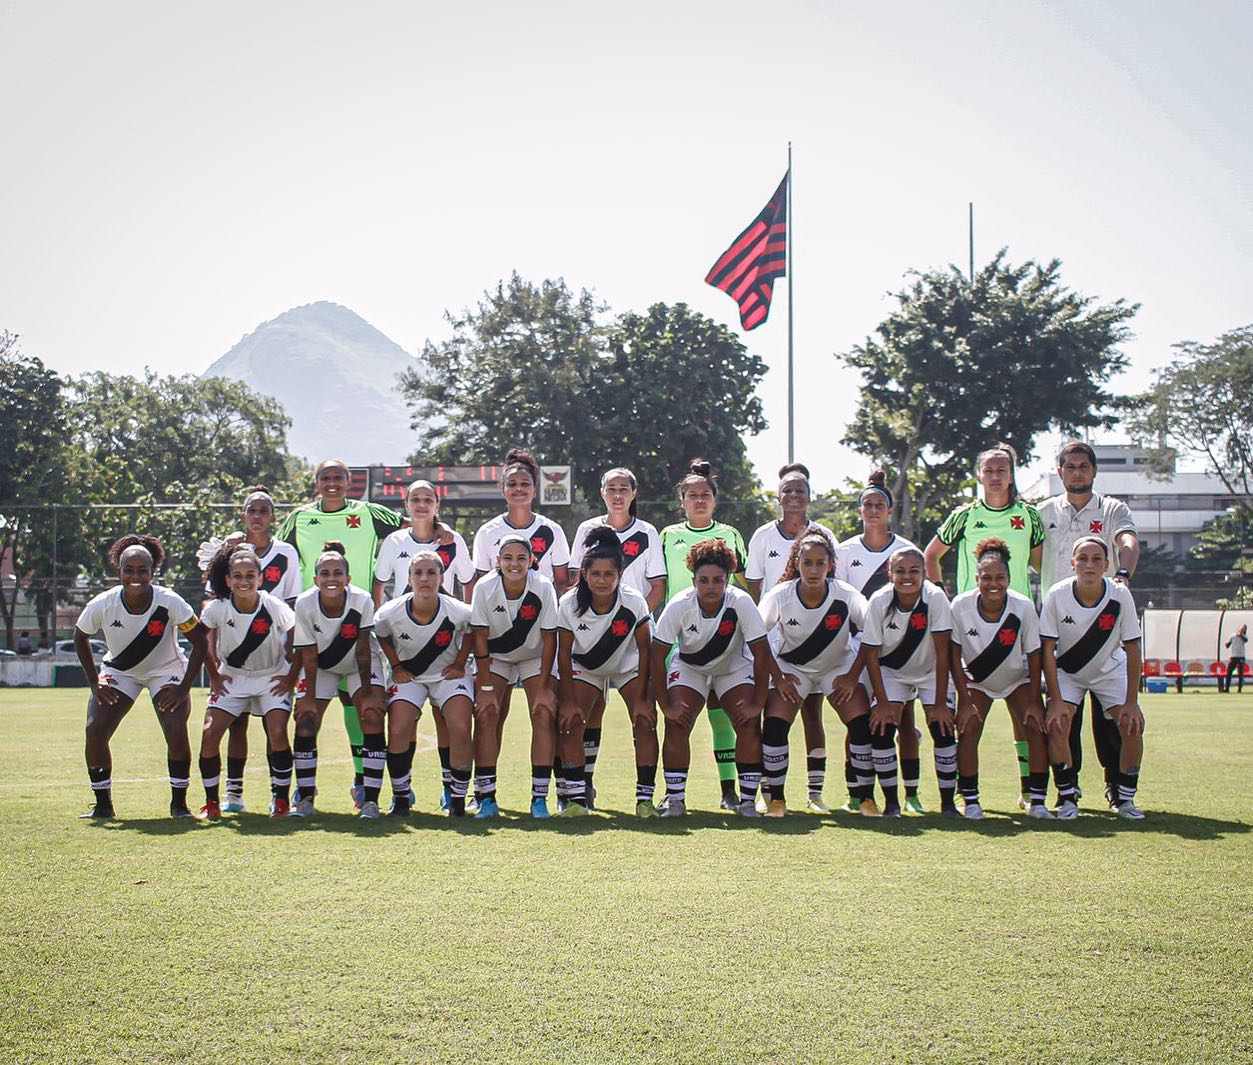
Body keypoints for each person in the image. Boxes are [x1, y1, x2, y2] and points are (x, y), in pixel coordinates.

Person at [277, 459, 402, 810]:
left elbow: (414, 528)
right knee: (307, 714)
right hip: (315, 629)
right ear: (316, 482)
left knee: (362, 709)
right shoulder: (298, 517)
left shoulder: (371, 512)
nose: (332, 483)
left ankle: (366, 787)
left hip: (357, 625)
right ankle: (304, 796)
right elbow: (279, 554)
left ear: (350, 482)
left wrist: (444, 532)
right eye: (325, 477)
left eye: (338, 477)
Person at [925, 443, 1044, 808]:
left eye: (1001, 470)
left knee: (1025, 717)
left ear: (1011, 475)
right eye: (988, 470)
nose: (995, 476)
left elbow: (1041, 565)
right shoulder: (964, 516)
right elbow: (931, 556)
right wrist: (946, 604)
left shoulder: (1030, 516)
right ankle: (967, 796)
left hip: (1016, 626)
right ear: (979, 475)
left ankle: (1029, 792)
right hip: (972, 629)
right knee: (969, 717)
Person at [74, 534, 208, 819]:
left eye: (142, 570)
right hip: (120, 672)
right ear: (119, 571)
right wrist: (94, 681)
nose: (136, 576)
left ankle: (179, 805)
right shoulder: (103, 603)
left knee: (175, 726)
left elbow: (201, 642)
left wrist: (184, 687)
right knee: (94, 729)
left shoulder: (170, 601)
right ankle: (103, 805)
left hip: (166, 671)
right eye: (129, 570)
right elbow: (80, 635)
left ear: (152, 572)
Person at [1036, 439, 1140, 804]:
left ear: (1093, 471)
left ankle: (1116, 786)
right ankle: (1069, 787)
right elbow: (1032, 556)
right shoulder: (1042, 511)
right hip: (1058, 623)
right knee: (1063, 714)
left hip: (1103, 625)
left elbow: (1126, 539)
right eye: (1070, 466)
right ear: (1060, 471)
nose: (1077, 472)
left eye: (1083, 466)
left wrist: (1123, 572)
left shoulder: (1112, 508)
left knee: (1111, 717)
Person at [651, 538, 785, 817]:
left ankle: (747, 801)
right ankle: (675, 800)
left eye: (717, 580)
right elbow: (656, 655)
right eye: (703, 580)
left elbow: (761, 653)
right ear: (693, 580)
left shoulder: (741, 602)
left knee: (748, 722)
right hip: (690, 667)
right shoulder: (679, 605)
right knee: (677, 722)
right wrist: (665, 705)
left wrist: (758, 702)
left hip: (732, 667)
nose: (710, 586)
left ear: (727, 580)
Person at [759, 529, 878, 817]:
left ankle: (865, 798)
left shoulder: (846, 594)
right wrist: (778, 676)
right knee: (775, 727)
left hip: (836, 668)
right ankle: (776, 798)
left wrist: (852, 676)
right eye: (807, 562)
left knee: (861, 725)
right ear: (796, 563)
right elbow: (756, 637)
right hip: (793, 668)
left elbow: (872, 634)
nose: (813, 569)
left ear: (830, 564)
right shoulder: (781, 595)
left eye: (820, 563)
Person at [373, 479, 474, 810]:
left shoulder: (453, 541)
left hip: (445, 648)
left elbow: (474, 621)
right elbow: (380, 620)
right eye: (414, 498)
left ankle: (455, 796)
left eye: (427, 498)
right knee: (400, 724)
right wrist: (396, 666)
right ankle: (402, 796)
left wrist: (461, 661)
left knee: (456, 725)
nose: (425, 577)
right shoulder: (394, 543)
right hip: (409, 657)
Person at [567, 467, 665, 805]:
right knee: (583, 714)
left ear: (634, 493)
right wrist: (602, 618)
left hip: (630, 637)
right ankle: (582, 790)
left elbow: (658, 585)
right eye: (612, 488)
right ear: (602, 492)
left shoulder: (647, 532)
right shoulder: (586, 530)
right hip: (589, 638)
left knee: (643, 715)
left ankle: (644, 799)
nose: (618, 494)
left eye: (624, 488)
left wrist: (628, 617)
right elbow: (574, 579)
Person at [201, 486, 302, 814]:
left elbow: (292, 608)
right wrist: (214, 665)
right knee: (234, 726)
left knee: (275, 730)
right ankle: (231, 795)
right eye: (251, 510)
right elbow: (212, 609)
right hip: (234, 666)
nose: (257, 516)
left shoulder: (285, 553)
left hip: (271, 657)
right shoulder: (229, 551)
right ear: (243, 515)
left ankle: (280, 798)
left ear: (273, 516)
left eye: (263, 511)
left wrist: (289, 667)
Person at [659, 459, 750, 811]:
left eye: (705, 495)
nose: (699, 500)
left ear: (714, 500)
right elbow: (662, 586)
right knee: (678, 715)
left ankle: (729, 792)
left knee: (721, 715)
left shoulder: (730, 535)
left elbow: (743, 585)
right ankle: (674, 793)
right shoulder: (668, 535)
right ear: (682, 500)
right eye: (692, 495)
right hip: (681, 642)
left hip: (725, 641)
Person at [835, 471, 923, 814]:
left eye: (879, 505)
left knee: (904, 721)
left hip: (902, 647)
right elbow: (840, 602)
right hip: (859, 647)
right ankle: (856, 791)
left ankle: (911, 793)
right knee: (856, 720)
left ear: (890, 510)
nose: (873, 510)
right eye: (867, 505)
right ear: (860, 511)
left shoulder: (906, 550)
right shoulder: (844, 552)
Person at [1040, 536, 1146, 820]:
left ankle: (1125, 798)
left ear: (1107, 565)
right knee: (1057, 723)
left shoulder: (1120, 595)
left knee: (1132, 724)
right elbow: (1047, 650)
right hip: (1068, 673)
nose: (1089, 565)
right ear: (1072, 563)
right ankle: (1067, 795)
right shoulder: (1056, 595)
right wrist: (1055, 699)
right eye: (1083, 559)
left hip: (1109, 670)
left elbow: (1133, 648)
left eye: (1096, 559)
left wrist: (1131, 702)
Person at [746, 463, 831, 813]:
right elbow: (754, 589)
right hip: (775, 645)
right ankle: (770, 793)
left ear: (809, 498)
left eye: (800, 490)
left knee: (814, 715)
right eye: (788, 490)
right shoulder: (763, 535)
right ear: (778, 497)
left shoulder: (823, 535)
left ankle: (815, 793)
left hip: (817, 643)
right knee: (772, 717)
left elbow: (835, 582)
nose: (794, 495)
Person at [948, 538, 1053, 819]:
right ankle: (969, 798)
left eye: (1000, 577)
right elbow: (953, 656)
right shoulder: (959, 606)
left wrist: (1034, 701)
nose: (993, 583)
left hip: (1017, 678)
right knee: (968, 729)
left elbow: (1034, 656)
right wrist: (963, 699)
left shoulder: (1023, 607)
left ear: (1009, 578)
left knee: (1034, 727)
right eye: (986, 577)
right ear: (976, 578)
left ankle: (1037, 799)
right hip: (976, 680)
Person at [556, 526, 656, 816]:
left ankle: (644, 800)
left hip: (627, 665)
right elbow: (563, 653)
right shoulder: (569, 603)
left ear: (620, 575)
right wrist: (569, 700)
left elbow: (646, 650)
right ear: (584, 574)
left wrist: (642, 699)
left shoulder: (634, 601)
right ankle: (577, 800)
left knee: (645, 720)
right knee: (572, 721)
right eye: (595, 574)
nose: (602, 580)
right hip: (585, 666)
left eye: (609, 574)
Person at [290, 542, 386, 818]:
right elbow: (308, 653)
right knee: (306, 719)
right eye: (325, 573)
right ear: (315, 578)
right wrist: (308, 697)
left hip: (359, 665)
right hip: (320, 666)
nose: (331, 578)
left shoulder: (362, 599)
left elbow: (364, 648)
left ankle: (370, 799)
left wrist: (367, 691)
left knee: (372, 715)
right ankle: (305, 797)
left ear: (348, 578)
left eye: (337, 573)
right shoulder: (305, 602)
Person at [468, 534, 560, 819]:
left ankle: (539, 798)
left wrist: (544, 687)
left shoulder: (543, 586)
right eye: (507, 558)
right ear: (498, 561)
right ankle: (485, 796)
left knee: (543, 712)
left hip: (534, 655)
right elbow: (479, 636)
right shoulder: (484, 587)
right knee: (487, 714)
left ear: (532, 561)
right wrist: (484, 687)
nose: (514, 563)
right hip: (495, 657)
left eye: (521, 558)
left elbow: (549, 637)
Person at [861, 547, 956, 817]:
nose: (907, 576)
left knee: (943, 728)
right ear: (890, 574)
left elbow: (942, 652)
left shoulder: (936, 598)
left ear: (924, 573)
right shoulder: (879, 601)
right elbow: (871, 654)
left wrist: (939, 704)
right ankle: (892, 803)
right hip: (892, 672)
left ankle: (948, 804)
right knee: (881, 729)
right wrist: (881, 703)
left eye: (914, 571)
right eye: (900, 571)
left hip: (931, 671)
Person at [470, 448, 571, 595]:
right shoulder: (486, 532)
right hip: (499, 614)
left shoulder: (552, 530)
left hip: (542, 612)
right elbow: (482, 585)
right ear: (503, 490)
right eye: (511, 484)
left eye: (525, 484)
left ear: (535, 490)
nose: (518, 488)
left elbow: (562, 584)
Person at [1223, 625, 1248, 694]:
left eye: (1244, 629)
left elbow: (1245, 640)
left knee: (1240, 673)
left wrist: (1241, 635)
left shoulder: (1244, 636)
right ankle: (1227, 688)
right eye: (1242, 628)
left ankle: (1239, 689)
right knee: (1229, 672)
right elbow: (1228, 645)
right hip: (1233, 657)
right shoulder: (1233, 636)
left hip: (1241, 657)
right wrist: (1227, 644)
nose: (1242, 630)